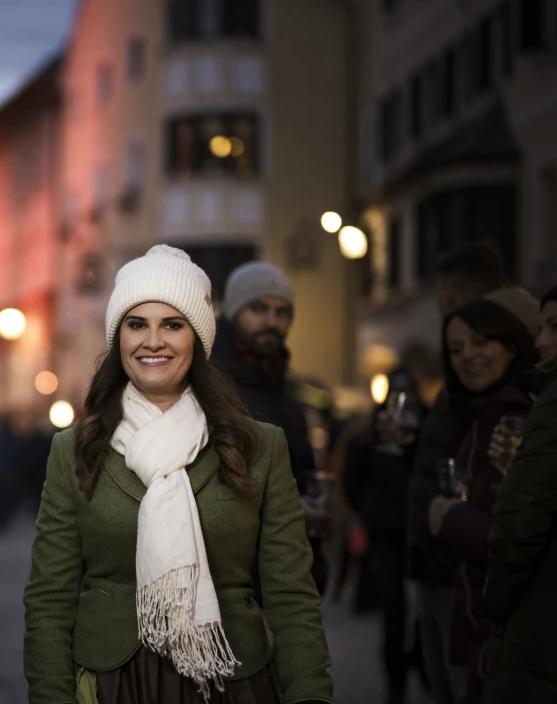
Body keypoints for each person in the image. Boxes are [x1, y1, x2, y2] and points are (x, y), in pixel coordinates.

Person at [23, 245, 332, 704]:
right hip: (113, 684)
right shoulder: (74, 449)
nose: (153, 341)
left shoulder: (259, 445)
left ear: (198, 338)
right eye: (136, 324)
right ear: (118, 338)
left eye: (172, 324)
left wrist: (310, 696)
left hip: (231, 681)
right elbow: (49, 599)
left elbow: (291, 597)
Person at [407, 243, 539, 704]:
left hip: (500, 616)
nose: (468, 357)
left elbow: (515, 537)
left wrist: (446, 516)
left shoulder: (522, 419)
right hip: (466, 597)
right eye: (457, 349)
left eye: (481, 344)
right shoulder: (479, 413)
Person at [484, 278, 557, 704]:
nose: (541, 341)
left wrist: (498, 605)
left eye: (556, 327)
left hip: (553, 616)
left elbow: (521, 521)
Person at [211, 261, 330, 594]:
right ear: (234, 312)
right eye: (258, 309)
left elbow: (302, 476)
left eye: (282, 312)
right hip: (234, 586)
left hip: (283, 579)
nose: (272, 322)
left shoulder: (288, 398)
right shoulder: (212, 387)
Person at [342, 369, 423, 704]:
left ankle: (417, 660)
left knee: (426, 609)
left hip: (423, 536)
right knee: (394, 612)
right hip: (385, 536)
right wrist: (368, 516)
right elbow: (352, 485)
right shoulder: (367, 440)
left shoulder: (425, 436)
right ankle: (397, 684)